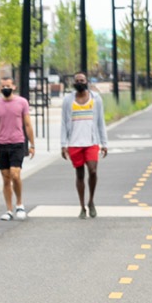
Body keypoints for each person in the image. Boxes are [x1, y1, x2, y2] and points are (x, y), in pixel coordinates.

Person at [60, 73, 108, 219]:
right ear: (74, 83)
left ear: (87, 82)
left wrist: (104, 143)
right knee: (79, 175)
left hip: (92, 141)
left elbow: (101, 121)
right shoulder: (68, 100)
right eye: (77, 81)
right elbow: (63, 123)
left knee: (92, 171)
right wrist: (63, 144)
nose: (80, 82)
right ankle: (82, 207)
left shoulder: (96, 99)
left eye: (82, 80)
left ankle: (91, 201)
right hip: (75, 143)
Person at [0, 76, 35, 220]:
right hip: (1, 145)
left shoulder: (22, 102)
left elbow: (27, 124)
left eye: (8, 85)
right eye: (3, 86)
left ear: (14, 86)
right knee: (6, 178)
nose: (5, 88)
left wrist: (32, 145)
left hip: (17, 143)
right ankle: (9, 210)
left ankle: (19, 204)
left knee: (15, 174)